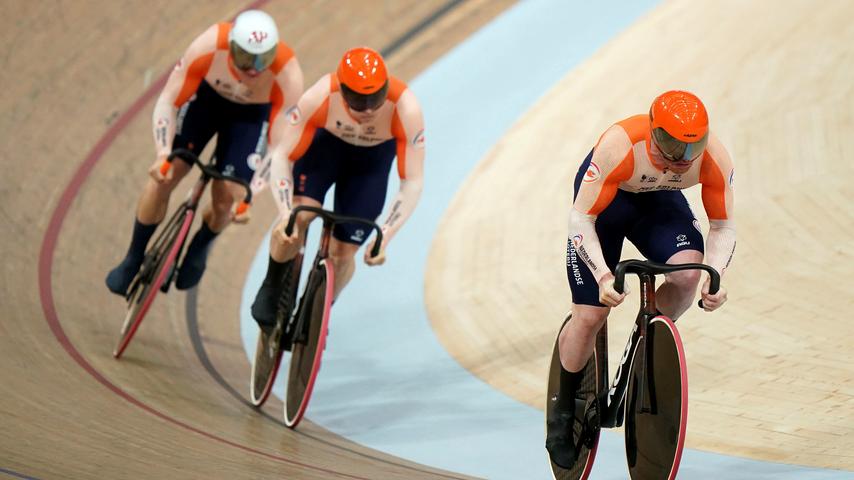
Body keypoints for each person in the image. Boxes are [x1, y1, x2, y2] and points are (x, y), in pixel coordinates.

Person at [546, 90, 736, 468]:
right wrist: (602, 276)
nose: (682, 160)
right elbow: (580, 219)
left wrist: (714, 277)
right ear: (653, 132)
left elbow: (723, 225)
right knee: (591, 315)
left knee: (686, 273)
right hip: (607, 205)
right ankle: (562, 409)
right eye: (672, 146)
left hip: (658, 203)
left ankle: (645, 340)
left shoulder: (714, 156)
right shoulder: (620, 145)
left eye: (691, 148)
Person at [106, 10, 304, 295]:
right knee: (166, 175)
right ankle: (133, 257)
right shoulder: (208, 45)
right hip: (206, 103)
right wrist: (162, 153)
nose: (254, 68)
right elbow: (169, 101)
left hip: (250, 119)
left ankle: (201, 244)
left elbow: (280, 147)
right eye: (247, 58)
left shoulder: (287, 73)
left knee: (227, 196)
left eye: (263, 59)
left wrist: (251, 193)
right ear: (231, 47)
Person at [249, 46, 425, 338]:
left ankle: (320, 308)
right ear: (342, 91)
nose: (368, 109)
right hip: (325, 152)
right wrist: (284, 213)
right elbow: (282, 156)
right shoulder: (319, 96)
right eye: (358, 100)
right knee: (297, 219)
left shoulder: (406, 108)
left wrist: (387, 234)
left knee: (343, 254)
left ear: (386, 87)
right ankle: (272, 285)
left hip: (369, 166)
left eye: (375, 98)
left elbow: (413, 181)